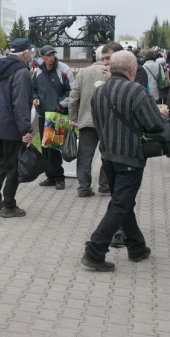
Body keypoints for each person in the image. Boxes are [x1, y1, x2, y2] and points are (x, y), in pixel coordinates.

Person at [81, 51, 169, 272]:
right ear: (132, 70)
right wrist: (164, 113)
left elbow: (98, 123)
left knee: (123, 203)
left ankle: (136, 247)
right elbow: (155, 125)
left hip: (108, 156)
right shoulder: (136, 91)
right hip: (130, 158)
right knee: (120, 205)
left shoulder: (99, 92)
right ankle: (95, 250)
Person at [0, 38, 34, 218]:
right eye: (31, 51)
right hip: (11, 126)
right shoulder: (21, 72)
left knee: (2, 161)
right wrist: (26, 130)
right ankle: (8, 205)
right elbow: (20, 103)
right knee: (13, 165)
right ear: (25, 53)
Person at [68, 45, 110, 198]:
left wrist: (72, 116)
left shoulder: (83, 72)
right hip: (107, 121)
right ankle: (105, 185)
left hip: (87, 119)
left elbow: (74, 96)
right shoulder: (112, 73)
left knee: (85, 155)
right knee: (107, 154)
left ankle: (84, 187)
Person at [32, 45, 74, 190]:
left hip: (57, 114)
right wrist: (35, 98)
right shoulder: (37, 71)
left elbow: (71, 91)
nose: (51, 58)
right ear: (42, 57)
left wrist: (61, 105)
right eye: (48, 55)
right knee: (45, 147)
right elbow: (34, 90)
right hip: (43, 114)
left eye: (53, 55)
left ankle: (59, 178)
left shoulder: (64, 70)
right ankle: (50, 176)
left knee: (54, 148)